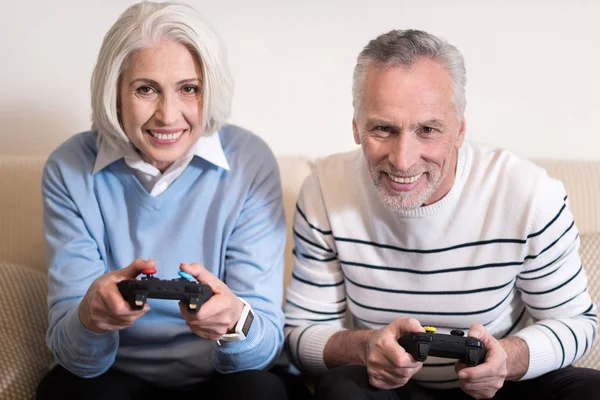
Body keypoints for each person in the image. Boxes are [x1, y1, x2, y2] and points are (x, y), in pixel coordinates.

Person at [284, 29, 600, 400]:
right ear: (356, 126)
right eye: (383, 128)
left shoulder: (529, 194)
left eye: (428, 130)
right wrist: (365, 347)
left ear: (460, 129)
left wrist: (508, 359)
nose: (403, 160)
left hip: (501, 387)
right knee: (342, 390)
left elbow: (576, 323)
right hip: (388, 389)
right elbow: (300, 334)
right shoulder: (325, 188)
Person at [36, 2, 303, 399]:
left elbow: (262, 351)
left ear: (209, 91)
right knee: (66, 390)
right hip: (113, 375)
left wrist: (233, 321)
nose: (167, 115)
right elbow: (76, 358)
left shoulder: (249, 162)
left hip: (222, 375)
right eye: (146, 89)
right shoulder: (68, 168)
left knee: (259, 392)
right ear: (115, 92)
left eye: (188, 89)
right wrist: (90, 318)